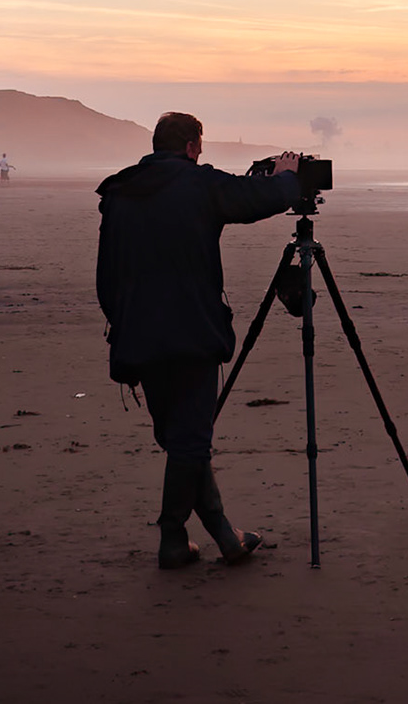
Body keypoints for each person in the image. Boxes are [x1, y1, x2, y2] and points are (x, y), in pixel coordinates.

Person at [96, 111, 301, 570]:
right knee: (189, 440)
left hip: (139, 332)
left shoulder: (120, 190)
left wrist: (122, 320)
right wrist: (287, 179)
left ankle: (225, 536)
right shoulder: (199, 184)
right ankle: (172, 538)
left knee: (180, 436)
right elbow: (252, 200)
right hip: (190, 331)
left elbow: (105, 275)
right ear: (192, 146)